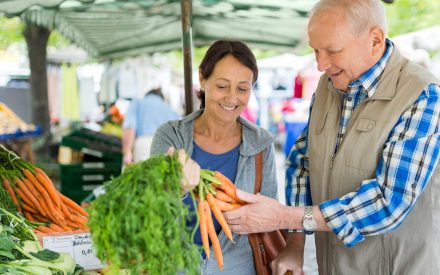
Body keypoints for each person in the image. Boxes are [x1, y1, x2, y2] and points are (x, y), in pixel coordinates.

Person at [223, 0, 440, 274]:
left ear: (375, 40)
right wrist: (295, 244)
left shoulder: (423, 94)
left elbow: (389, 201)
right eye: (315, 50)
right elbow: (303, 163)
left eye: (332, 51)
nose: (320, 64)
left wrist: (283, 216)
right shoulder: (328, 86)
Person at [150, 40, 278, 274]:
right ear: (202, 79)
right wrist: (174, 190)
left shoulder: (261, 144)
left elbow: (270, 216)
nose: (232, 98)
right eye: (222, 86)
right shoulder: (171, 137)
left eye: (242, 89)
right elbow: (149, 210)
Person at [122, 87, 179, 165]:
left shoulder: (138, 102)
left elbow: (130, 127)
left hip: (144, 145)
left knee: (143, 175)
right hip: (167, 148)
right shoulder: (170, 109)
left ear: (147, 95)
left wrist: (127, 152)